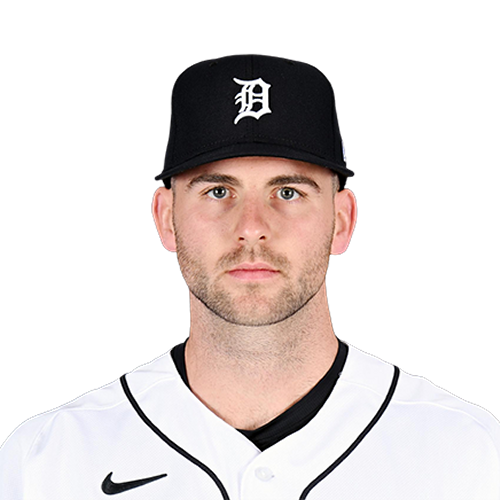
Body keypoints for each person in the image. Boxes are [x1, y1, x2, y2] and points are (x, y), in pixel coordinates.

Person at [1, 54, 499, 499]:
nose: (252, 227)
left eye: (288, 192)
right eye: (218, 191)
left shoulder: (471, 456)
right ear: (166, 219)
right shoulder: (46, 461)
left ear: (342, 221)